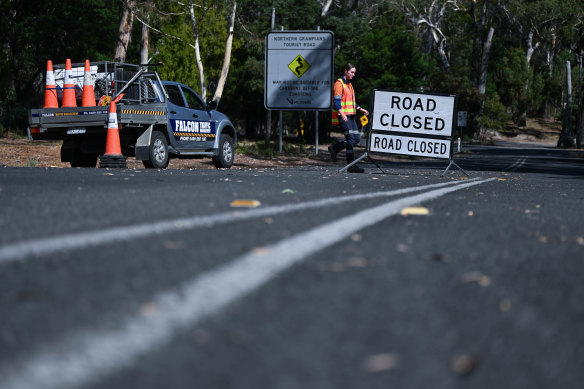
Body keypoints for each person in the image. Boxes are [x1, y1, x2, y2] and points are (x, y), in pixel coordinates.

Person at [328, 63, 369, 173]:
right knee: (350, 139)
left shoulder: (349, 85)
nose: (354, 74)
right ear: (345, 71)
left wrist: (361, 109)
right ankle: (351, 166)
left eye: (354, 72)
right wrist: (342, 113)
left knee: (356, 139)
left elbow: (352, 103)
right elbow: (336, 103)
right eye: (352, 72)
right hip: (343, 116)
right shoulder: (339, 84)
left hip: (351, 117)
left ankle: (335, 148)